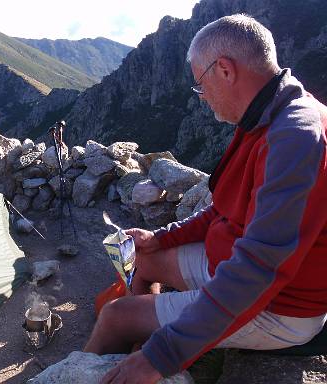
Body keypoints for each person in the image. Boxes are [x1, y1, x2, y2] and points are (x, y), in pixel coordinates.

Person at [84, 14, 327, 383]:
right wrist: (159, 238)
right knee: (145, 259)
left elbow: (259, 269)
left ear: (225, 70)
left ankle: (116, 352)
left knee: (116, 316)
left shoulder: (295, 137)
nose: (201, 97)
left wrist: (162, 355)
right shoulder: (266, 113)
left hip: (281, 305)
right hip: (233, 264)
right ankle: (135, 342)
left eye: (200, 84)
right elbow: (223, 210)